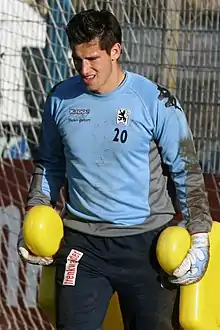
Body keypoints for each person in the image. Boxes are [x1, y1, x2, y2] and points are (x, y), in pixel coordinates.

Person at [17, 9, 212, 330]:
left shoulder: (155, 101)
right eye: (77, 59)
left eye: (93, 58)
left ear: (115, 51)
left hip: (147, 247)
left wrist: (200, 235)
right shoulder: (60, 99)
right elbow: (50, 163)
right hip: (83, 245)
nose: (84, 68)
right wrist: (36, 212)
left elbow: (186, 170)